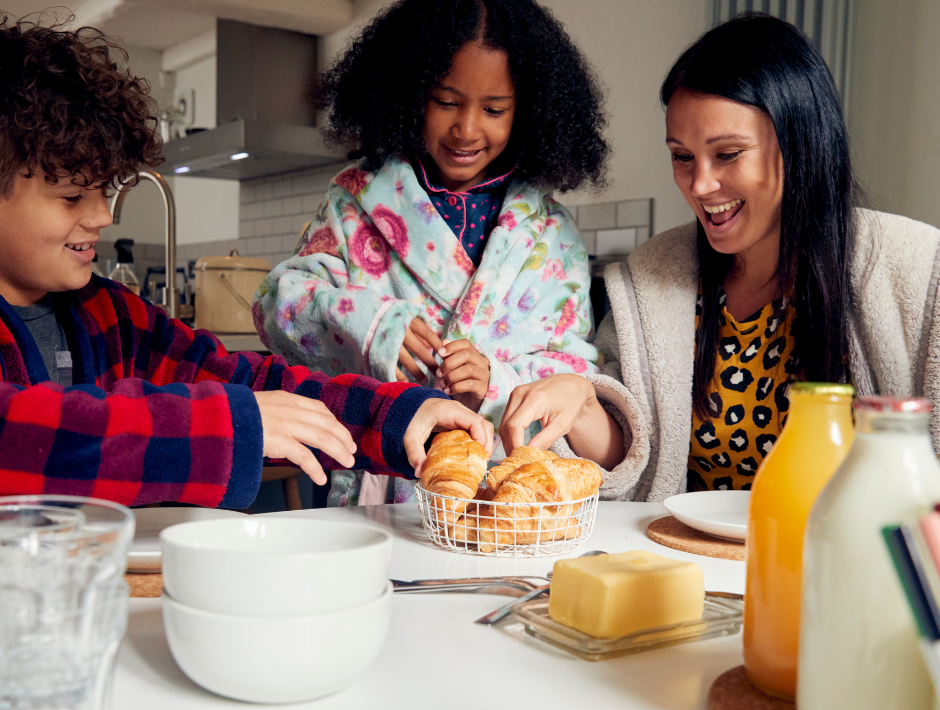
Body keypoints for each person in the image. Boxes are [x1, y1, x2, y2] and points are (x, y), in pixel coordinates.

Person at [0, 16, 492, 509]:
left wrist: (399, 415)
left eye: (103, 190)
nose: (103, 215)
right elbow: (23, 437)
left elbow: (243, 381)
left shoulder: (112, 316)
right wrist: (232, 424)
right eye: (70, 197)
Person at [498, 13, 940, 501]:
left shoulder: (918, 272)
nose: (701, 185)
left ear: (801, 146)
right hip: (692, 568)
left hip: (849, 571)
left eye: (727, 154)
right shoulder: (649, 280)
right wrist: (581, 403)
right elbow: (628, 467)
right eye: (682, 156)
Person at [253, 0, 608, 505]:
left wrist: (494, 379)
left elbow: (576, 373)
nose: (466, 129)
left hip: (507, 489)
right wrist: (370, 326)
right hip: (385, 481)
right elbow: (275, 306)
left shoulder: (551, 232)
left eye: (493, 109)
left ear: (527, 111)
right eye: (446, 101)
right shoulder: (357, 200)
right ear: (411, 92)